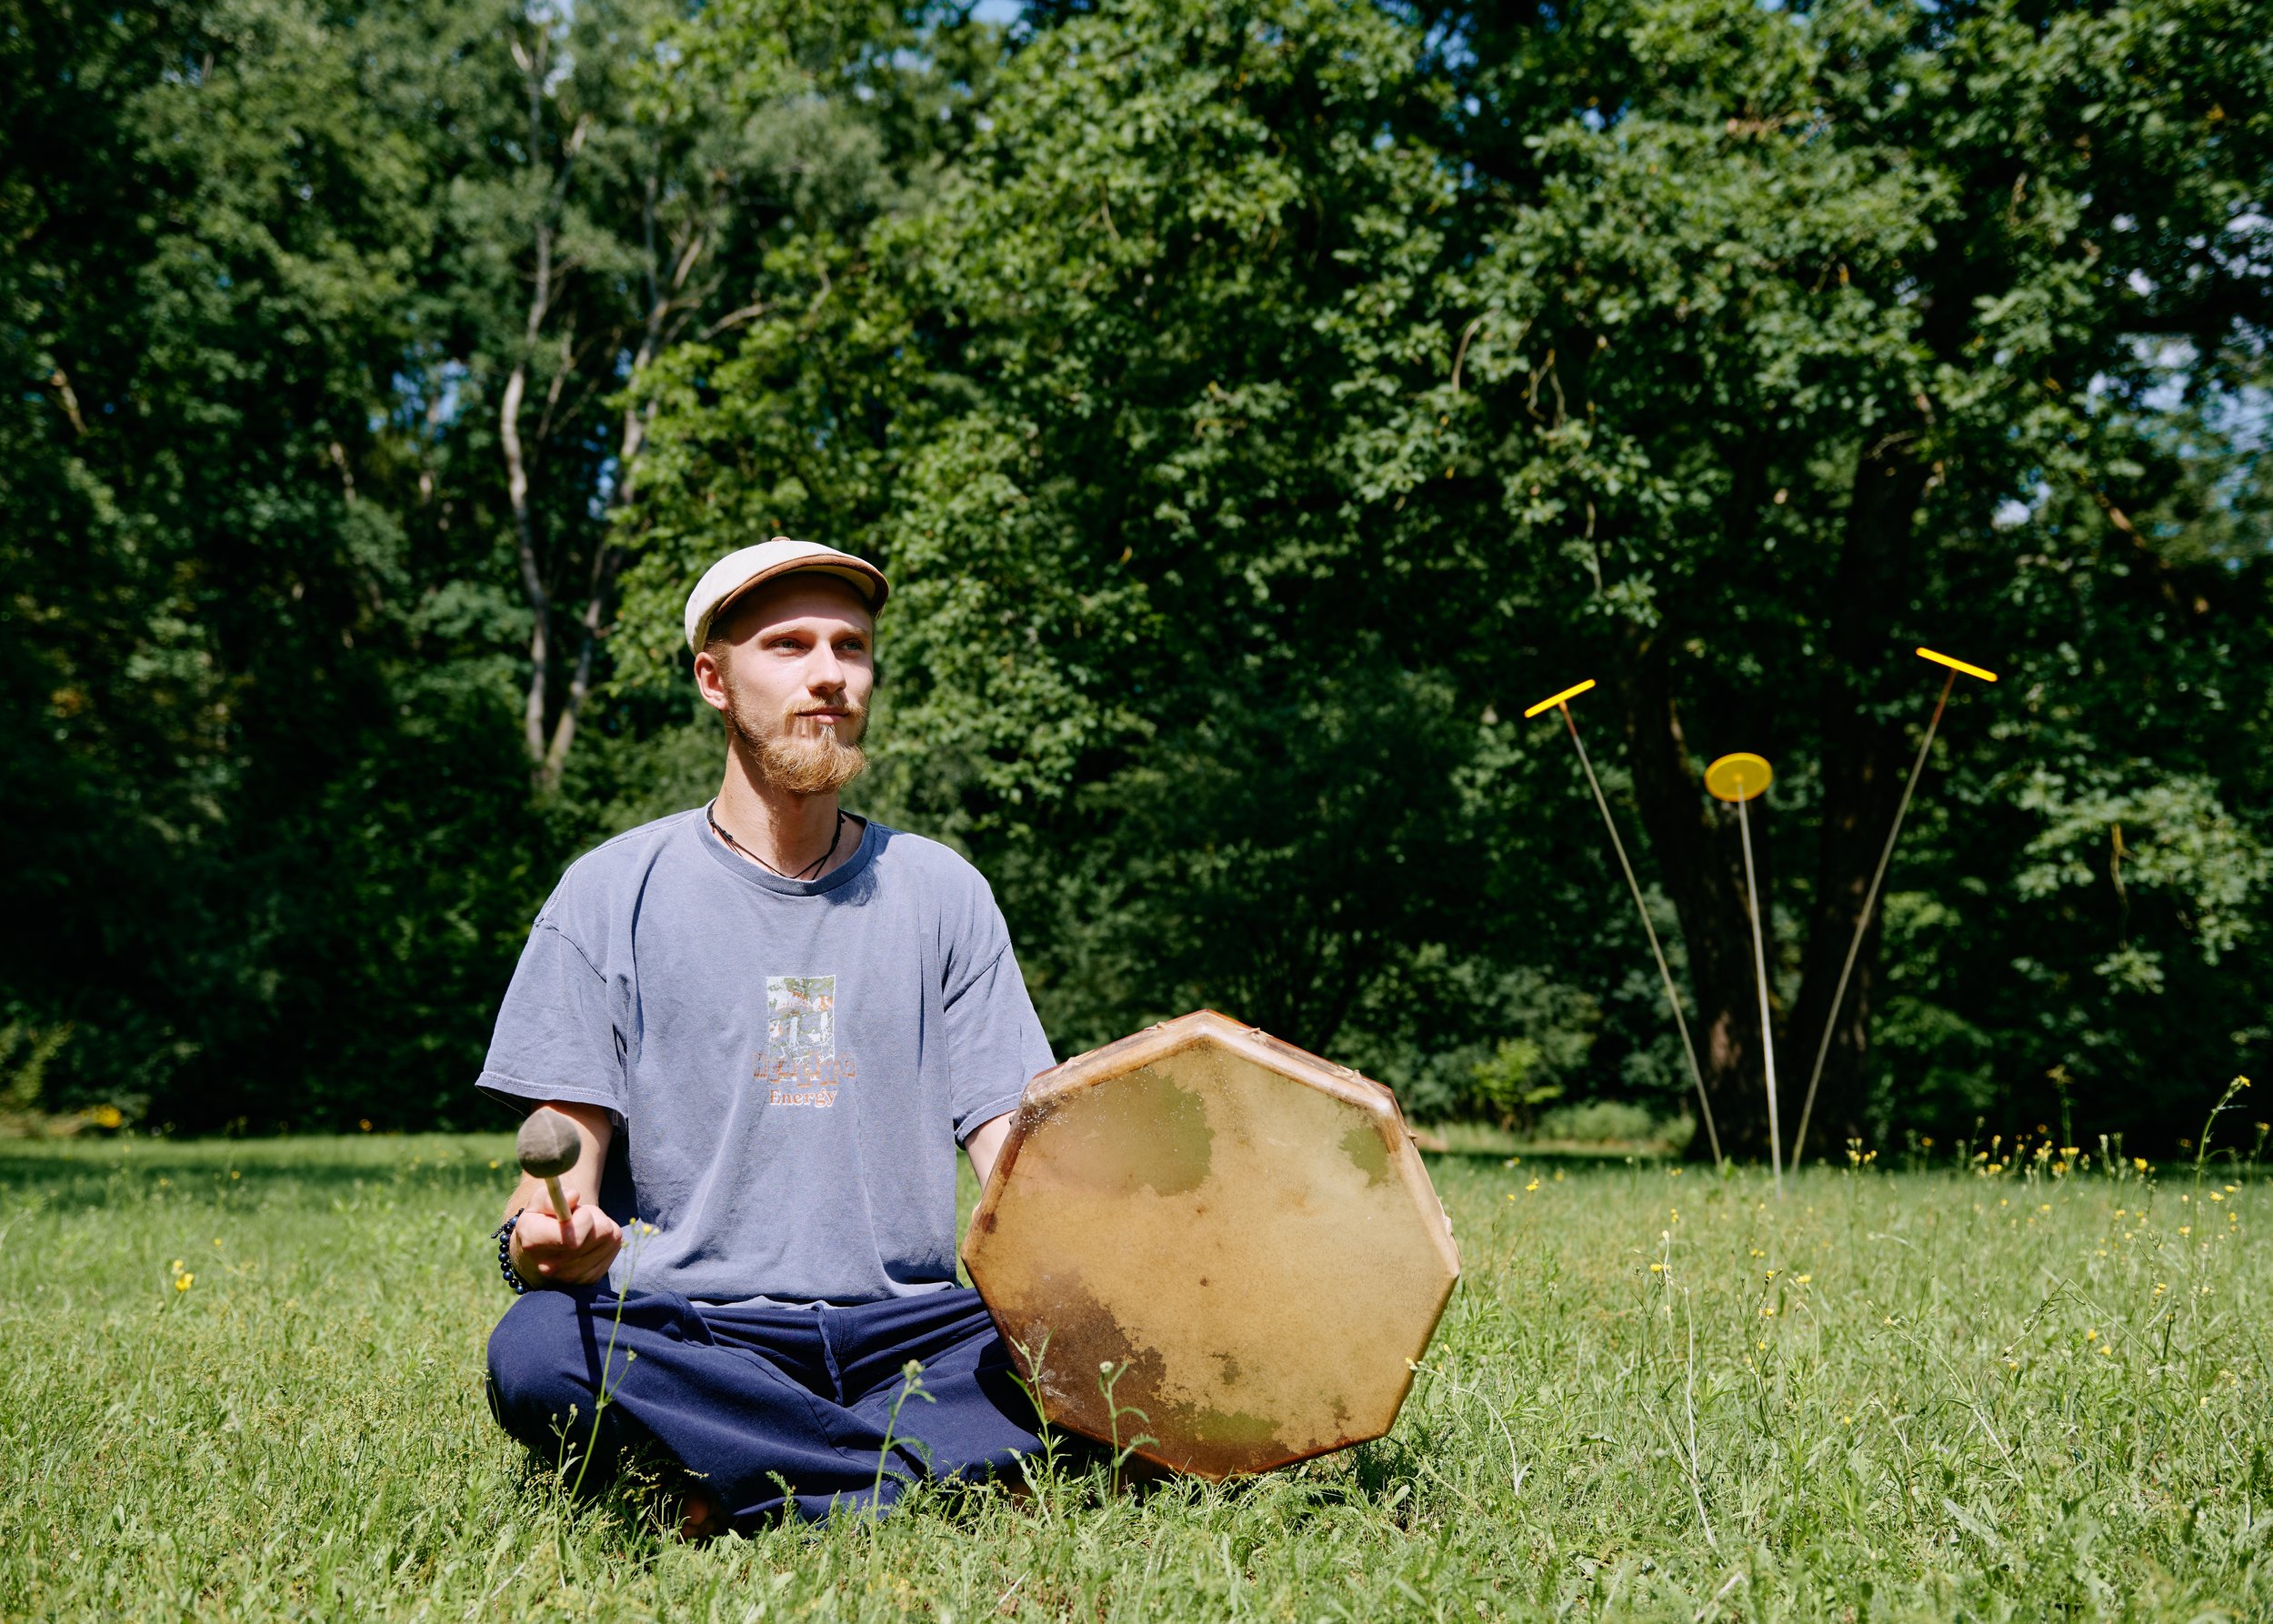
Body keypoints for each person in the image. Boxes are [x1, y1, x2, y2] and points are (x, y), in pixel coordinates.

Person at [478, 537, 1057, 1534]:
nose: (829, 673)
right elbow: (557, 1172)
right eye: (788, 645)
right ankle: (917, 1477)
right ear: (713, 677)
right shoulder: (610, 891)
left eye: (852, 646)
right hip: (695, 1330)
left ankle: (731, 1481)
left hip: (910, 1328)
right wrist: (543, 1241)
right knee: (538, 1353)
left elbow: (1021, 1169)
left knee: (1101, 1345)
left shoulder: (943, 891)